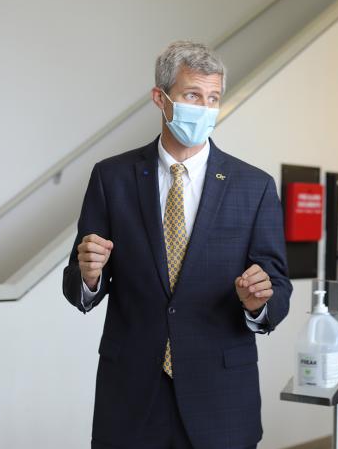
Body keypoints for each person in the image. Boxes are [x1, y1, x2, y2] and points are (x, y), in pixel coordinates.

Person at [63, 40, 292, 449]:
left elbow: (278, 287)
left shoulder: (254, 187)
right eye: (192, 95)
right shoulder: (111, 178)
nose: (204, 108)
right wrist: (88, 276)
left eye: (213, 98)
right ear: (161, 98)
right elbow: (77, 286)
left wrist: (258, 301)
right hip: (131, 396)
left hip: (220, 396)